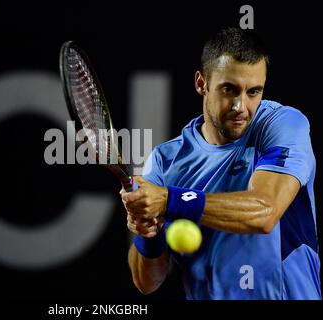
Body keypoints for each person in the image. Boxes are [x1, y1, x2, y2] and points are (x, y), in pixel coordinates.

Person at [121, 27, 321, 300]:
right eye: (229, 89)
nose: (241, 105)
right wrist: (149, 230)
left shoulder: (282, 124)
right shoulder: (164, 162)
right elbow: (146, 282)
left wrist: (169, 200)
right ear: (201, 83)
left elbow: (265, 212)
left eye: (254, 92)